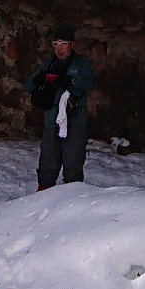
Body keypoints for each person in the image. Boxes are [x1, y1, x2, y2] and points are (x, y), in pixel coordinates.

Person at [25, 27, 95, 190]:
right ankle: (44, 193)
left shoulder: (81, 63)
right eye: (56, 44)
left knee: (73, 161)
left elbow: (89, 83)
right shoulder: (49, 64)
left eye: (63, 44)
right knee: (48, 159)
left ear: (72, 44)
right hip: (52, 118)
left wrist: (70, 81)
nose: (59, 48)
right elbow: (28, 86)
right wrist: (39, 79)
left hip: (75, 118)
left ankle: (73, 197)